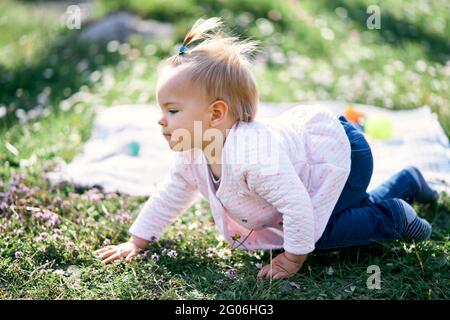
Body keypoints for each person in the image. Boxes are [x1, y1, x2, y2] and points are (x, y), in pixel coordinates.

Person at [95, 17, 438, 280]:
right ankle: (407, 181)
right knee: (328, 217)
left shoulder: (254, 158)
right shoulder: (192, 151)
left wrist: (292, 258)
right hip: (305, 163)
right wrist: (137, 241)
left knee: (315, 232)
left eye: (172, 111)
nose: (161, 121)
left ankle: (392, 217)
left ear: (216, 114)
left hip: (338, 153)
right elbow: (171, 193)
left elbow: (299, 208)